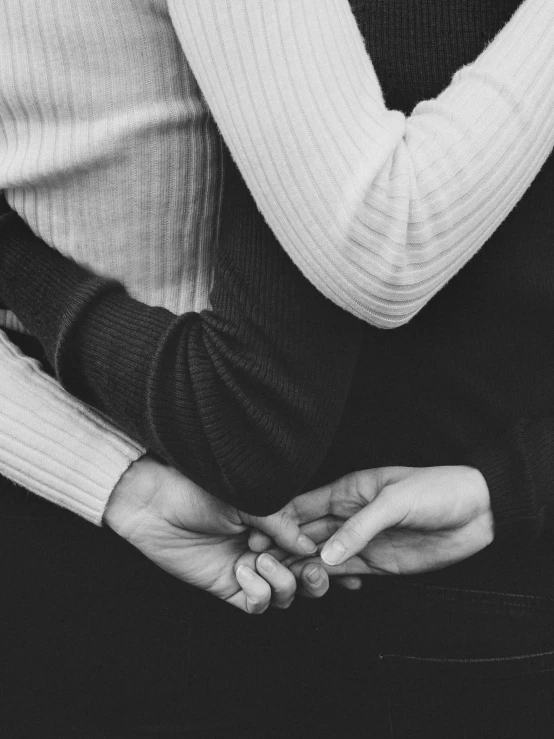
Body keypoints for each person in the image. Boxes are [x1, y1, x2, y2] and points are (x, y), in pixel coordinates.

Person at [1, 1, 553, 737]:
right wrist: (108, 478)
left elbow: (247, 413)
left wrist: (515, 484)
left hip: (409, 578)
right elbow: (248, 416)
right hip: (178, 566)